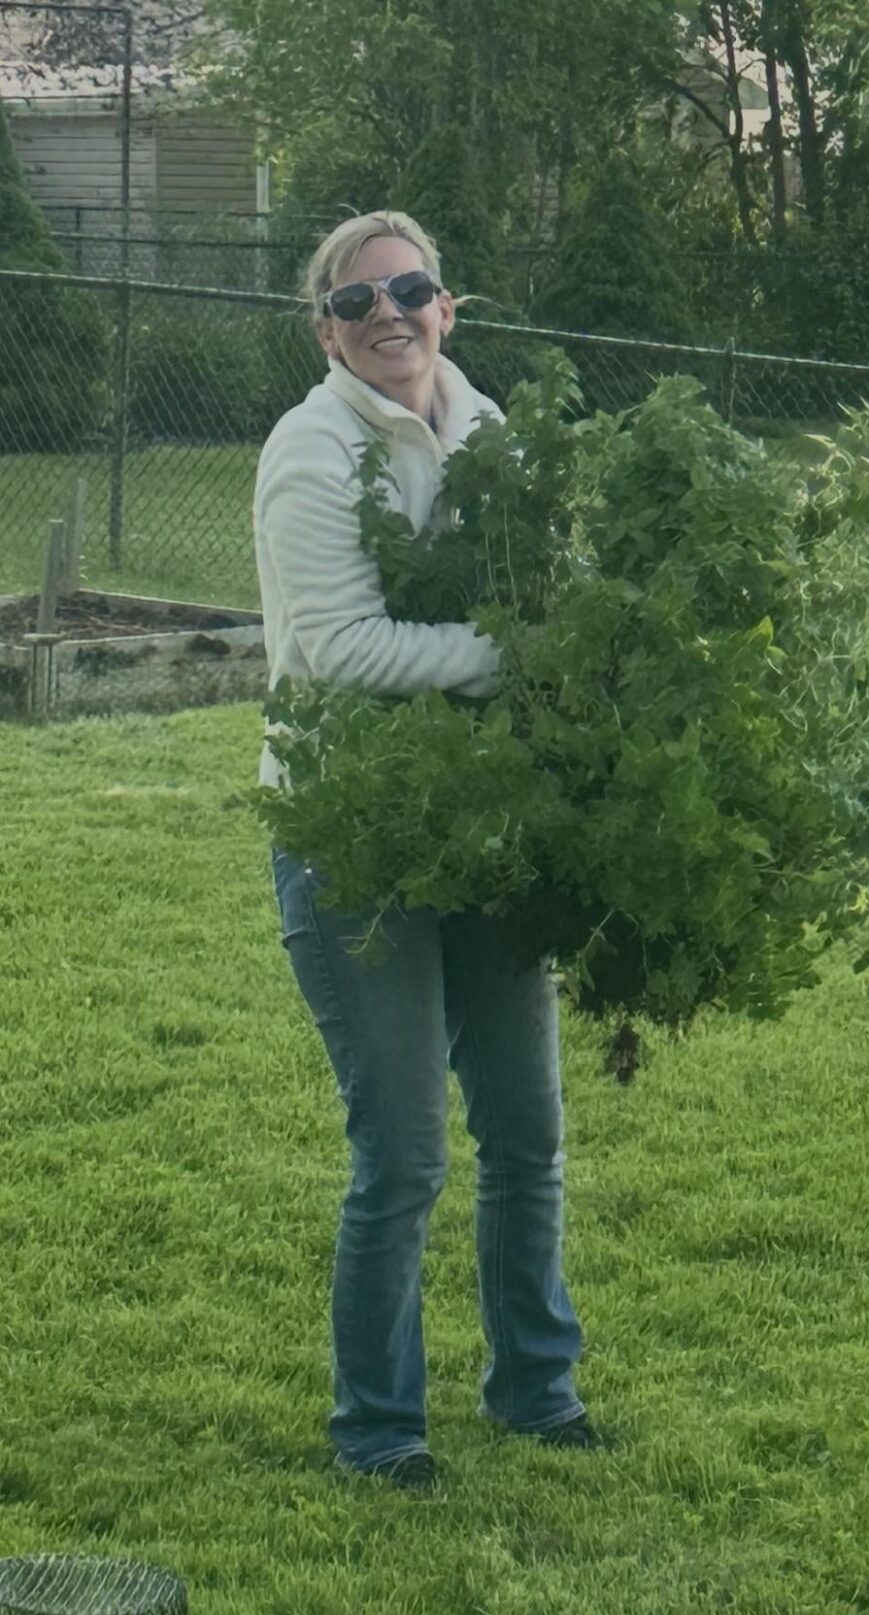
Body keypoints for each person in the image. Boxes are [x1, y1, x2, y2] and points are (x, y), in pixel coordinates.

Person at [253, 210, 599, 1493]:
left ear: (448, 305)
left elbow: (547, 584)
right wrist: (505, 662)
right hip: (354, 831)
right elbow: (339, 649)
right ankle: (380, 1431)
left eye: (412, 289)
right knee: (403, 1150)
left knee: (526, 1127)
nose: (388, 313)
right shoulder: (311, 451)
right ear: (328, 328)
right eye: (358, 302)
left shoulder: (489, 428)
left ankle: (538, 1389)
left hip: (485, 822)